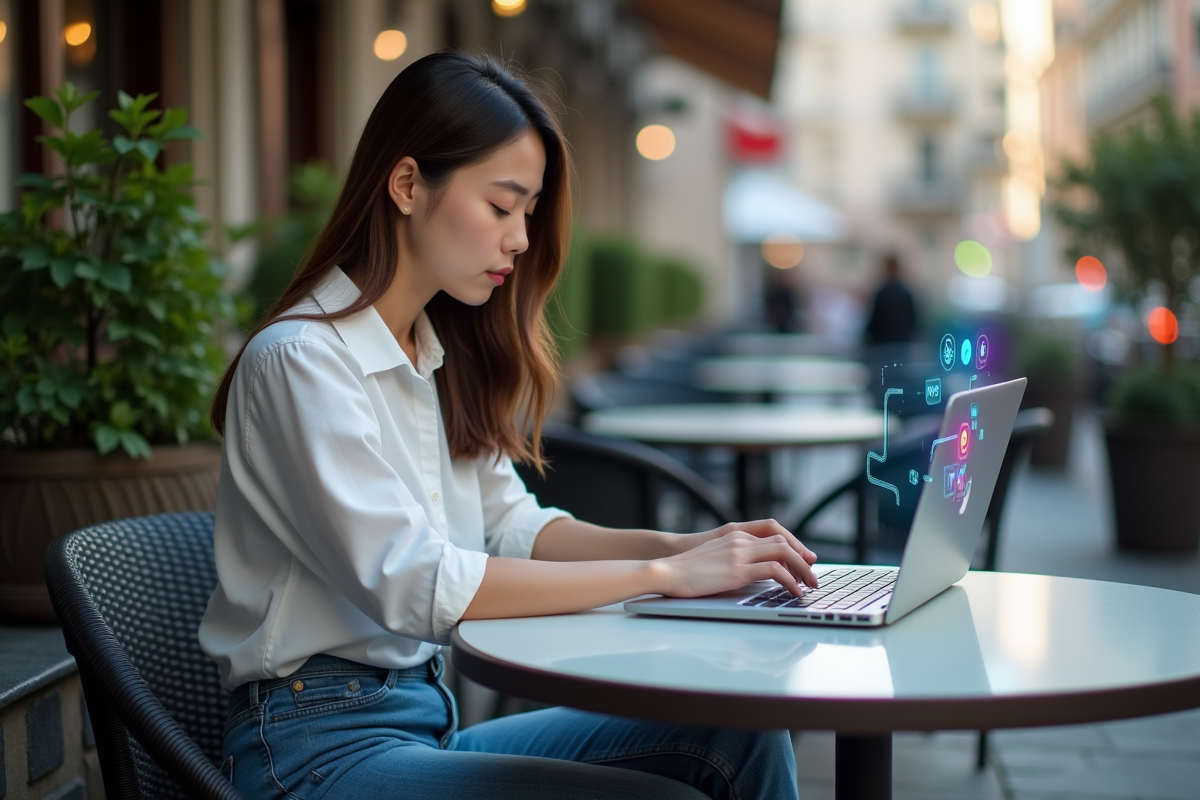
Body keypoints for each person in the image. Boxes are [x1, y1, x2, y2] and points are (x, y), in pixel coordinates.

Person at [200, 52, 816, 800]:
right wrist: (664, 578)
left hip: (424, 723)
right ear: (405, 185)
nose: (522, 239)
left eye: (528, 212)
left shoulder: (431, 355)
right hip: (311, 752)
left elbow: (515, 529)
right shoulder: (301, 361)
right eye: (502, 206)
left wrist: (688, 548)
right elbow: (417, 583)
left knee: (737, 727)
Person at [863, 252, 919, 346]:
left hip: (884, 344)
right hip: (902, 343)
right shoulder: (905, 293)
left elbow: (874, 323)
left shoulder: (882, 293)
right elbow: (914, 322)